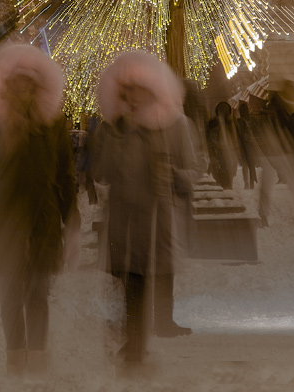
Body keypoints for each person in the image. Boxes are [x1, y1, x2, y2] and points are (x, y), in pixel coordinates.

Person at [0, 42, 76, 374]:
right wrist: (4, 140)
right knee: (8, 299)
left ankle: (38, 361)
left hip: (42, 220)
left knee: (37, 294)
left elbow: (64, 174)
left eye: (28, 83)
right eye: (16, 82)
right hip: (4, 224)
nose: (22, 89)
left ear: (38, 86)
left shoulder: (54, 124)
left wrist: (70, 216)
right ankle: (15, 360)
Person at [93, 49, 196, 367]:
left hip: (155, 220)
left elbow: (191, 171)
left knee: (146, 281)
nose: (131, 97)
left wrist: (174, 175)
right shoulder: (116, 128)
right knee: (131, 284)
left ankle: (138, 344)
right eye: (126, 91)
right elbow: (103, 173)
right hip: (124, 221)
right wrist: (113, 137)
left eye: (136, 89)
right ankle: (135, 343)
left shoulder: (175, 124)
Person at [205, 102, 238, 191]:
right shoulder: (215, 124)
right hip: (221, 156)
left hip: (224, 156)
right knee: (224, 182)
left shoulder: (228, 124)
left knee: (225, 182)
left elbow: (210, 142)